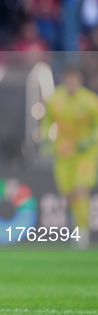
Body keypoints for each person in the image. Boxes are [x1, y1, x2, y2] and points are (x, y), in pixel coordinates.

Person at [41, 65, 98, 249]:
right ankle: (76, 228)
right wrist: (47, 140)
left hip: (85, 155)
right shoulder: (54, 99)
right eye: (68, 79)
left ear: (80, 81)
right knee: (68, 194)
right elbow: (47, 123)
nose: (71, 83)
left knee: (80, 189)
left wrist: (90, 140)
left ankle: (82, 233)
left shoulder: (90, 101)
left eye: (74, 79)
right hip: (63, 154)